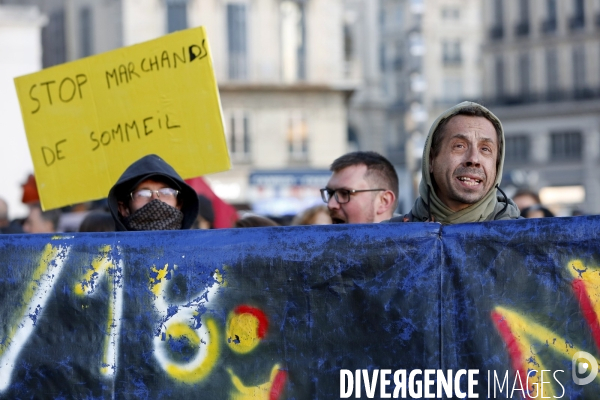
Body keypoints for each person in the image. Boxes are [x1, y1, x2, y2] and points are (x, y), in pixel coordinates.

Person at [391, 101, 520, 224]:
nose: (474, 159)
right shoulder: (390, 239)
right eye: (459, 146)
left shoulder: (527, 238)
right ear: (431, 160)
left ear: (497, 164)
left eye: (485, 149)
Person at [107, 154, 199, 231]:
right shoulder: (107, 251)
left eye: (166, 192)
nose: (155, 199)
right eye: (142, 193)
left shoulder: (200, 251)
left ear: (179, 204)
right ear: (123, 208)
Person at [321, 151, 399, 224]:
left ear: (384, 201)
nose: (331, 204)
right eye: (330, 193)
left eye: (345, 193)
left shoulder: (409, 237)